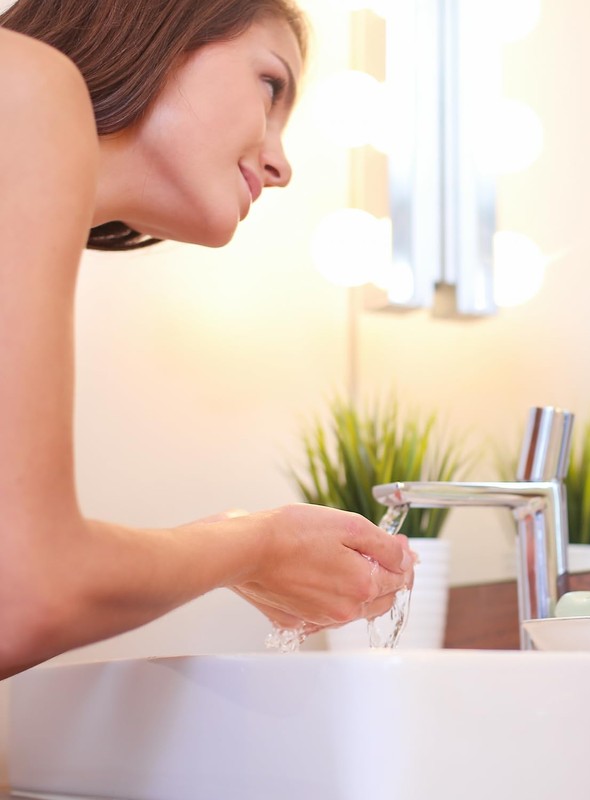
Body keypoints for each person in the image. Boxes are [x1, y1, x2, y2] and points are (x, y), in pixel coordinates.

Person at [0, 0, 415, 680]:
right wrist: (254, 546)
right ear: (157, 21)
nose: (281, 166)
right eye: (270, 85)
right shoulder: (26, 81)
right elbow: (25, 592)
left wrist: (247, 545)